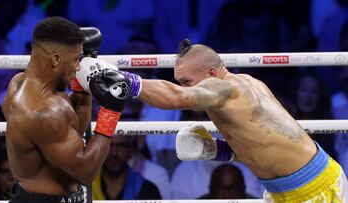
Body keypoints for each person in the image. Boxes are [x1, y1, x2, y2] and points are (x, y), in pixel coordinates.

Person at [78, 39, 348, 202]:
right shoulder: (243, 86)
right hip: (291, 187)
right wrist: (215, 150)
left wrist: (122, 80)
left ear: (210, 73)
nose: (184, 87)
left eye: (187, 81)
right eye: (179, 81)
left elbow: (176, 98)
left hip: (315, 189)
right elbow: (262, 146)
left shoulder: (225, 88)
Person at [2, 16, 132, 203]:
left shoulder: (19, 84)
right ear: (55, 59)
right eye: (77, 60)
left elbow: (72, 129)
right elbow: (84, 171)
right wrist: (111, 112)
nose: (79, 66)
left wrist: (82, 84)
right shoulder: (43, 114)